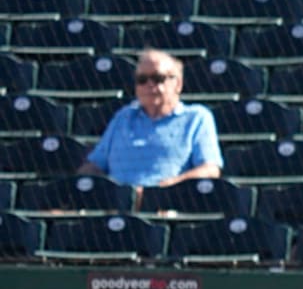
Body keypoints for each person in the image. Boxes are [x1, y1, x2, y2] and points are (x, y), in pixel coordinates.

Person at [78, 49, 220, 189]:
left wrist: (168, 188)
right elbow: (95, 165)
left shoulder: (196, 118)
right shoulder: (123, 117)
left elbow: (210, 169)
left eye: (158, 78)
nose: (149, 85)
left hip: (168, 204)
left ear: (178, 84)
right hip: (118, 203)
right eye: (142, 80)